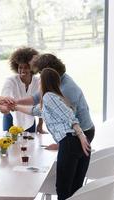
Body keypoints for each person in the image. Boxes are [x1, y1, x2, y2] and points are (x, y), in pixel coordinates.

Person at [14, 68, 91, 200]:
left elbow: (69, 116)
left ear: (43, 83)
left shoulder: (49, 97)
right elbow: (34, 111)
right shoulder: (55, 98)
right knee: (75, 190)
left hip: (70, 142)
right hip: (76, 144)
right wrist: (14, 106)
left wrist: (82, 135)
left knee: (63, 189)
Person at [1, 47, 44, 133]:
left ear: (32, 68)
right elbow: (5, 97)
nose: (22, 70)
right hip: (11, 118)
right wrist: (7, 104)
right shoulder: (10, 80)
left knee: (30, 145)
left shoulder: (38, 81)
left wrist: (40, 124)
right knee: (9, 144)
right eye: (20, 67)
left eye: (26, 67)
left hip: (30, 121)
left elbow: (41, 103)